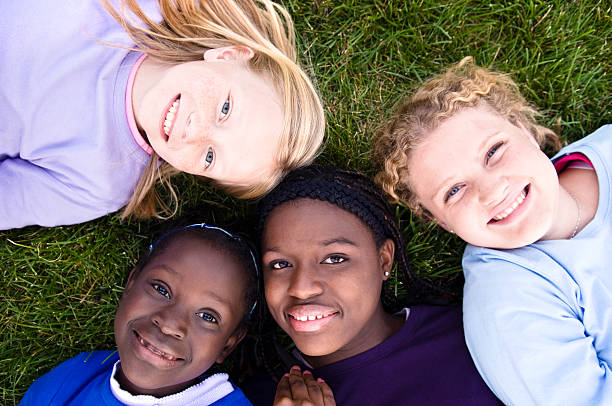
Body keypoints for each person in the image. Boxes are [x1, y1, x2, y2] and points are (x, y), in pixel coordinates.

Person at [373, 57, 612, 405]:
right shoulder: (507, 300)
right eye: (454, 191)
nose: (491, 190)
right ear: (442, 221)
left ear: (525, 130)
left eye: (494, 152)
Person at [1, 0, 325, 230]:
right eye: (226, 109)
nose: (195, 131)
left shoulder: (103, 182)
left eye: (210, 157)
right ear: (227, 57)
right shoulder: (150, 8)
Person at [247, 165, 501, 406]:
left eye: (335, 259)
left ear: (384, 260)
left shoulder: (472, 334)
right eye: (280, 264)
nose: (301, 288)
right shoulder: (253, 398)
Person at [19, 223, 259, 405]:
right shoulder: (73, 377)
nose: (170, 324)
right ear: (131, 283)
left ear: (228, 344)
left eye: (208, 316)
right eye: (161, 289)